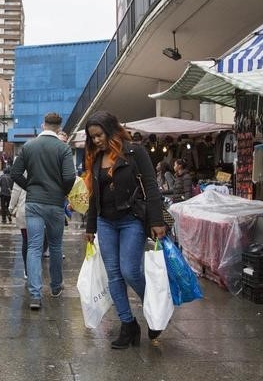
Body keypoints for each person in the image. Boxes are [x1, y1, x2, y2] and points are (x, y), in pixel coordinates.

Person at [83, 111, 167, 349]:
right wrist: (90, 225)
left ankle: (154, 312)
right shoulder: (95, 157)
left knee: (130, 271)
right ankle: (128, 324)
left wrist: (157, 220)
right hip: (105, 222)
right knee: (114, 275)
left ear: (110, 130)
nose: (97, 140)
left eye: (99, 135)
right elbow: (92, 194)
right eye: (93, 137)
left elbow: (151, 186)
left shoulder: (135, 151)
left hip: (131, 219)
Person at [10, 112, 76, 310]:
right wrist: (61, 192)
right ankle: (56, 287)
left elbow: (15, 173)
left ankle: (35, 295)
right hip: (55, 204)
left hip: (33, 203)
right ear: (59, 126)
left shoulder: (29, 146)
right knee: (55, 246)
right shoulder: (63, 148)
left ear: (43, 125)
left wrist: (30, 186)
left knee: (34, 247)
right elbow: (70, 177)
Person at [8, 179, 27, 278]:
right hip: (40, 209)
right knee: (36, 244)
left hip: (24, 210)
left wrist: (11, 208)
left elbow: (16, 191)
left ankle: (27, 270)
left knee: (26, 241)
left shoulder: (22, 173)